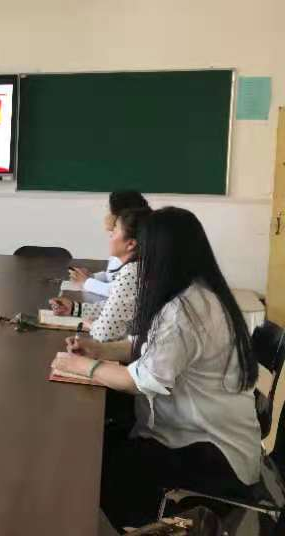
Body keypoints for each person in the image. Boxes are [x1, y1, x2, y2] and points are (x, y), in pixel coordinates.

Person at [51, 207, 260, 529]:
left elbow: (141, 380)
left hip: (215, 456)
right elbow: (149, 347)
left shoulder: (185, 310)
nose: (138, 261)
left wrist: (85, 366)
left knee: (91, 468)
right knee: (102, 441)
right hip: (203, 435)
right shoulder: (196, 293)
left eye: (144, 253)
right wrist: (100, 350)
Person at [49, 207, 150, 341]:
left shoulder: (133, 272)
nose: (110, 236)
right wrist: (75, 308)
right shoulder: (135, 267)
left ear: (131, 244)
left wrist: (92, 325)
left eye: (115, 232)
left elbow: (104, 333)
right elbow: (114, 305)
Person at [68, 191, 150, 297]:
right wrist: (92, 277)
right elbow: (113, 276)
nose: (106, 216)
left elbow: (117, 290)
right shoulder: (121, 248)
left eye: (109, 211)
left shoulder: (134, 257)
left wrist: (86, 282)